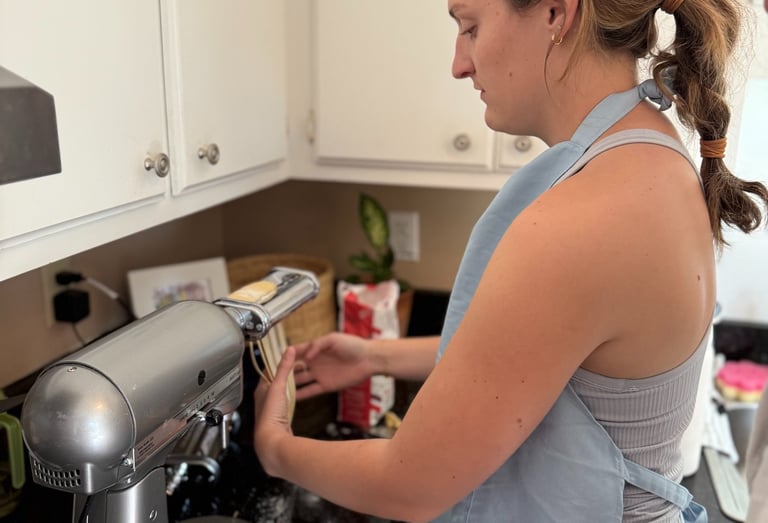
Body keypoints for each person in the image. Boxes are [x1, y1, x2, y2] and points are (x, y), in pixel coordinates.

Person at [253, 0, 768, 521]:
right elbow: (541, 357)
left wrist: (274, 447)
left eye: (470, 28)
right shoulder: (651, 162)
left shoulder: (590, 216)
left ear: (554, 13)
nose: (459, 63)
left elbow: (409, 484)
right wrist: (377, 357)